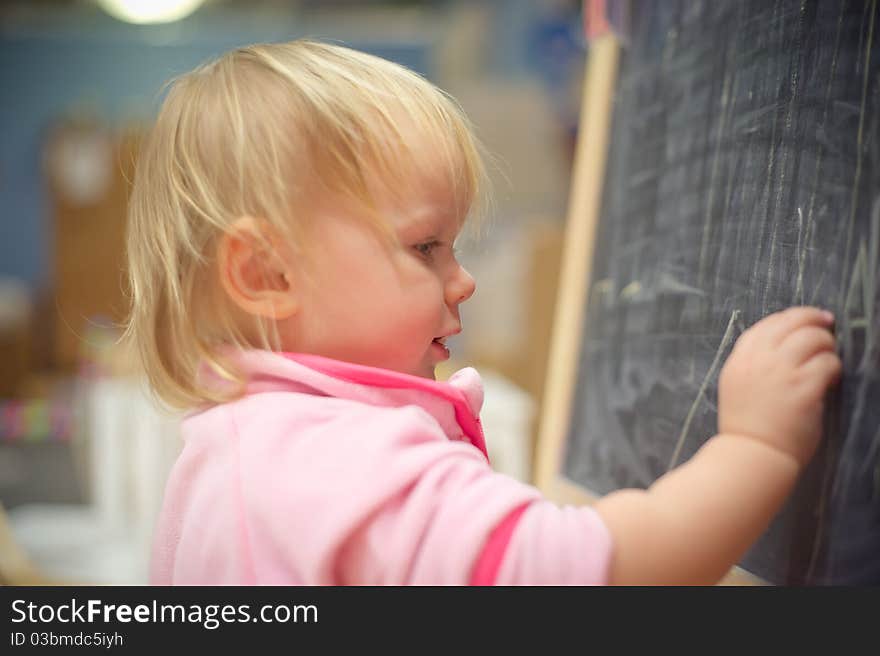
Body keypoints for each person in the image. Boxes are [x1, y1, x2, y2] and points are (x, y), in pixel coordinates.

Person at [125, 39, 842, 585]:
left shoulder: (240, 447)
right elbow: (591, 575)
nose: (462, 280)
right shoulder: (340, 463)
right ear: (266, 273)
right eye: (427, 245)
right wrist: (757, 448)